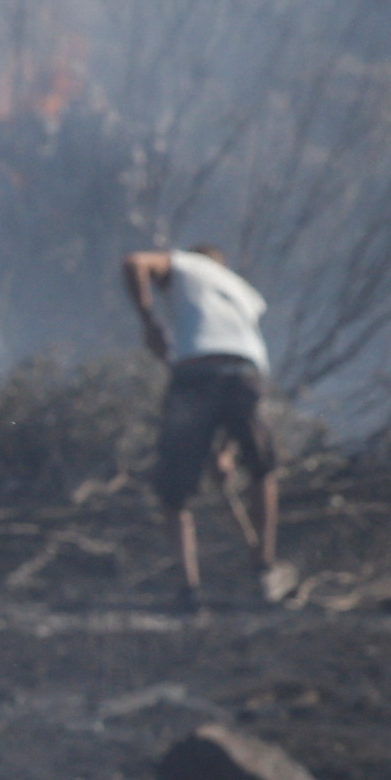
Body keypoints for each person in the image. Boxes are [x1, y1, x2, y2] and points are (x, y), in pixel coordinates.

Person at [124, 240, 285, 603]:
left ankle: (189, 589)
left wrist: (149, 323)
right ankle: (265, 567)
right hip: (246, 374)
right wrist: (225, 452)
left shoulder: (187, 264)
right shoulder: (244, 293)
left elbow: (134, 262)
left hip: (197, 373)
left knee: (175, 487)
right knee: (262, 467)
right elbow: (234, 367)